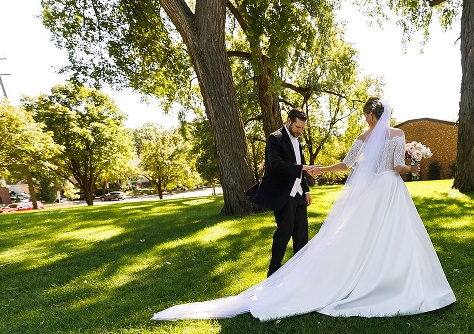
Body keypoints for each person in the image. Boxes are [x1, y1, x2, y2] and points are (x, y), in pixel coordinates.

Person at [152, 97, 455, 321]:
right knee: (385, 237)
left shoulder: (377, 138)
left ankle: (381, 278)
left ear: (370, 116)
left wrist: (324, 168)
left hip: (381, 191)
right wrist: (412, 167)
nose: (365, 121)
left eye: (365, 116)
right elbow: (381, 166)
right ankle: (388, 281)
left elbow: (359, 165)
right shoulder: (389, 136)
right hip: (387, 190)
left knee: (380, 236)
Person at [250, 108, 318, 276]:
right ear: (289, 121)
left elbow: (299, 167)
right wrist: (303, 167)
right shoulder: (275, 138)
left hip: (299, 194)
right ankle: (272, 274)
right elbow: (277, 165)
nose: (300, 131)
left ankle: (300, 274)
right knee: (284, 233)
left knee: (302, 235)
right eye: (298, 127)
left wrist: (306, 190)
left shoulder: (298, 139)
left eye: (302, 128)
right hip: (283, 194)